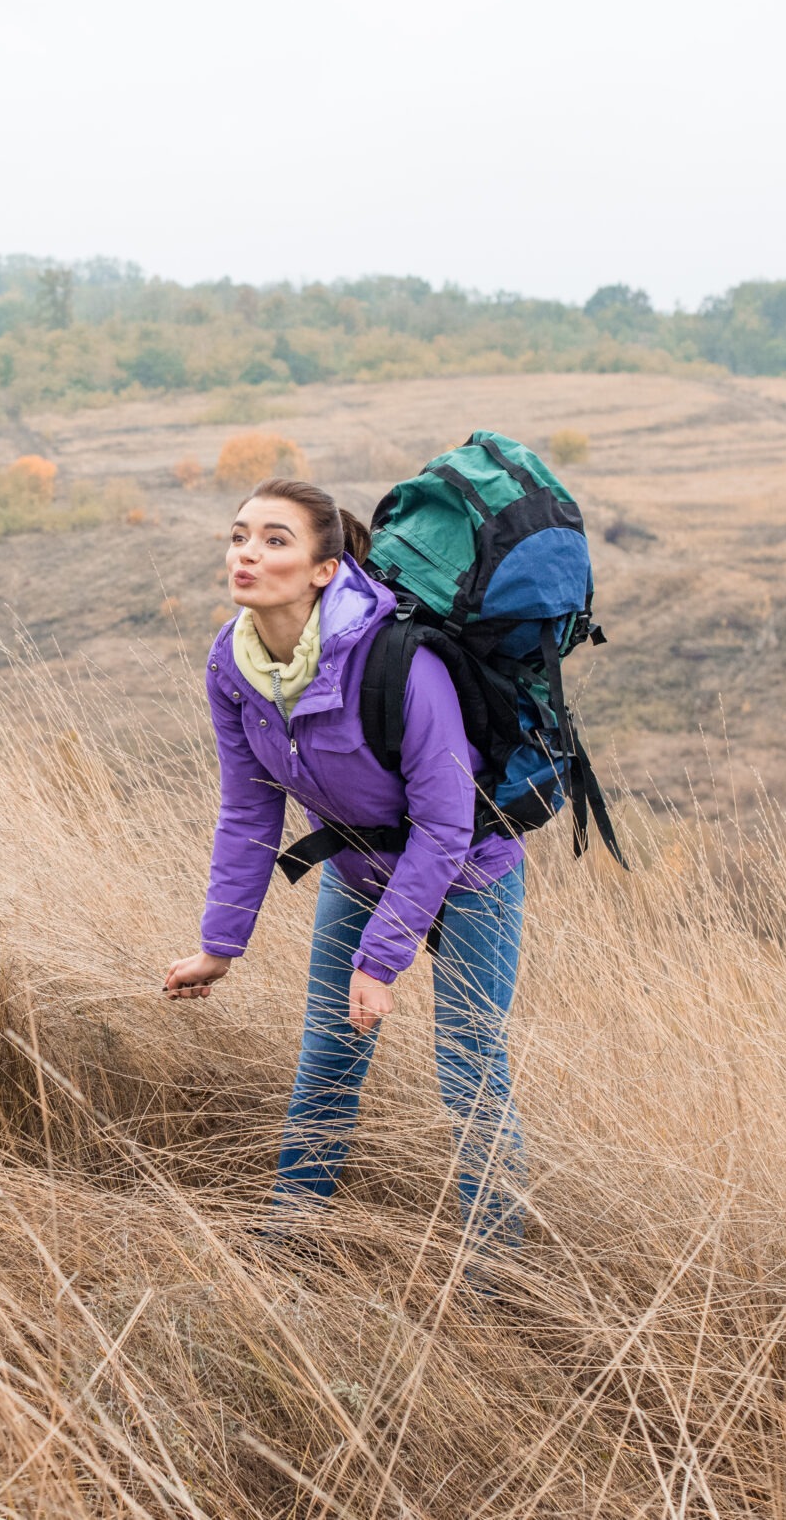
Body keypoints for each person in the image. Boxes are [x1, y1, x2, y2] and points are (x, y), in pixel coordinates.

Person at [163, 477, 528, 1248]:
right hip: (358, 866)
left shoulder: (396, 661)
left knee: (470, 1071)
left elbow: (445, 825)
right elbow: (248, 807)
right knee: (327, 1057)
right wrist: (219, 946)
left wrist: (381, 959)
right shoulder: (233, 665)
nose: (247, 554)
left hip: (468, 870)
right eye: (239, 535)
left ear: (325, 568)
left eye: (274, 539)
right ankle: (285, 1245)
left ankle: (504, 1277)